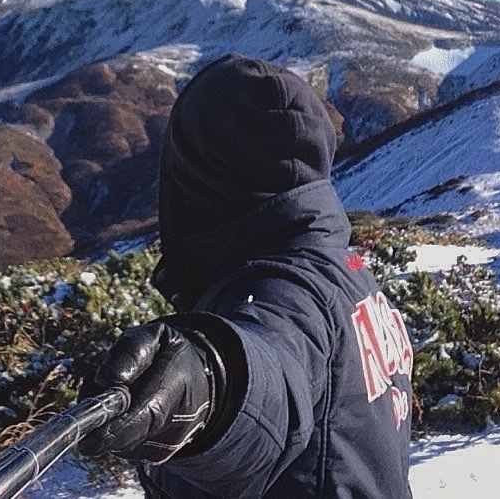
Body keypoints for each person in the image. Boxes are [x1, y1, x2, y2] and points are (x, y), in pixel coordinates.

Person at [78, 53, 413, 498]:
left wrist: (210, 380)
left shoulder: (283, 287)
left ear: (200, 180)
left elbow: (275, 363)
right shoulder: (346, 271)